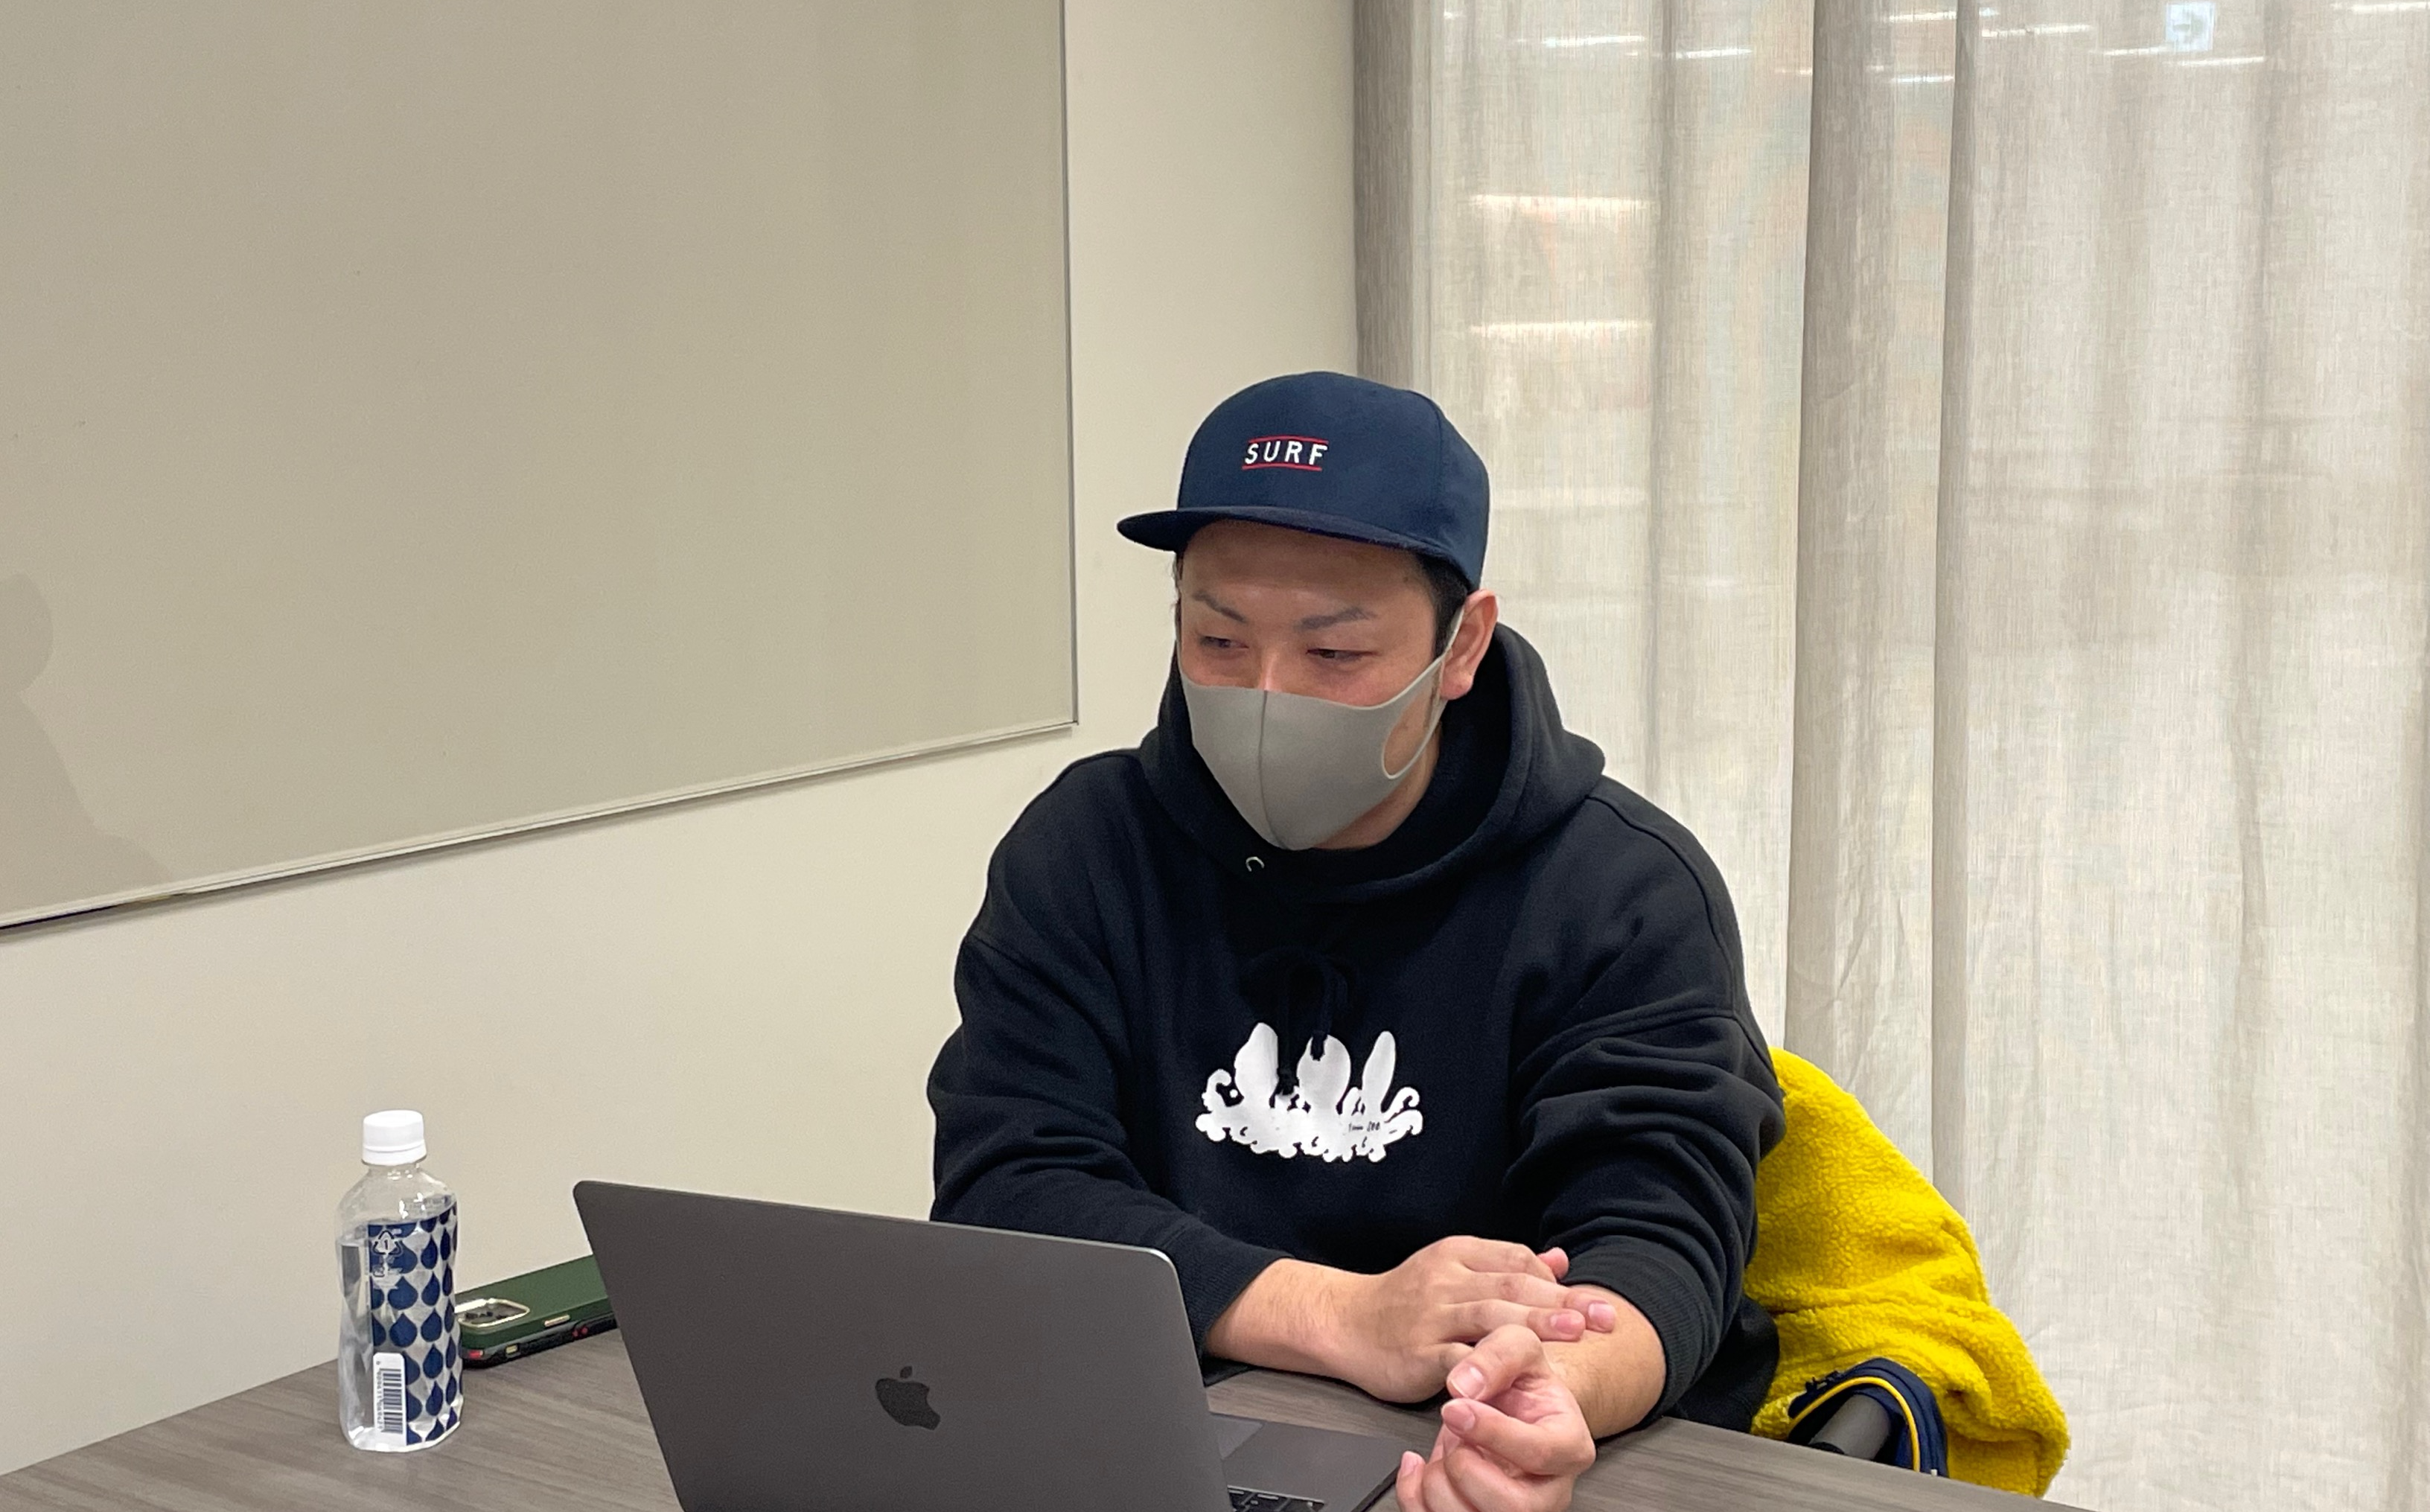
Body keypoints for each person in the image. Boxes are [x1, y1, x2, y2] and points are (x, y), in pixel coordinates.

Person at [928, 372, 1785, 1512]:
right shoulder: (1086, 847)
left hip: (1480, 1445)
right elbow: (1010, 1188)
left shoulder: (1620, 887)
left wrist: (1539, 1401)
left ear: (1463, 645)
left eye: (1335, 655)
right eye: (1217, 638)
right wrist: (1343, 1314)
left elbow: (1660, 1238)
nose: (1267, 694)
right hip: (1165, 1436)